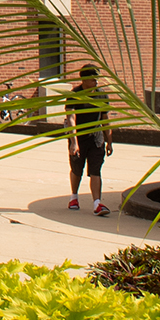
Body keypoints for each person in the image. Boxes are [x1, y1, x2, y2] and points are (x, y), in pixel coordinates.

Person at [66, 70, 112, 216]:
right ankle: (74, 197)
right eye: (93, 79)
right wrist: (74, 142)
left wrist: (109, 142)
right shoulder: (74, 94)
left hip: (96, 137)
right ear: (84, 80)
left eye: (96, 79)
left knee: (95, 169)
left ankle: (97, 203)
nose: (96, 82)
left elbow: (105, 119)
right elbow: (71, 119)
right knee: (77, 169)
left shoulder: (101, 94)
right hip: (78, 136)